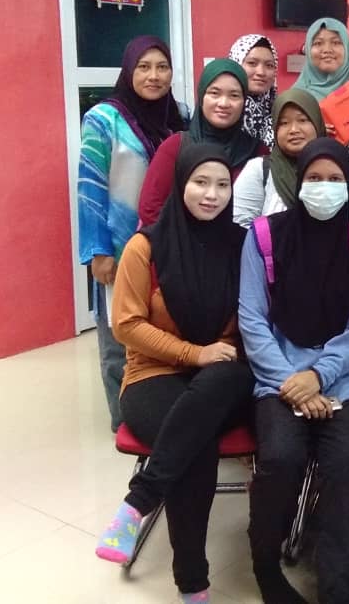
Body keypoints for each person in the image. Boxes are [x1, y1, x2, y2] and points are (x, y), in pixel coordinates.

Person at [95, 143, 254, 604]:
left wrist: (212, 356)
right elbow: (126, 325)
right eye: (200, 182)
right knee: (195, 443)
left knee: (228, 376)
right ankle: (193, 583)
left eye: (222, 185)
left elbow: (253, 319)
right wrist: (194, 353)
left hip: (221, 376)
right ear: (180, 183)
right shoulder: (145, 247)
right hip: (153, 375)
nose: (212, 195)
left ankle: (139, 501)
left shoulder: (241, 245)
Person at [239, 138, 349, 604]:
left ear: (348, 186)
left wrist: (317, 377)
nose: (324, 187)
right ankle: (266, 567)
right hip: (278, 375)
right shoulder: (263, 237)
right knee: (280, 458)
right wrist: (290, 381)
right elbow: (252, 319)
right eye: (314, 178)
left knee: (348, 465)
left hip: (344, 379)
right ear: (298, 182)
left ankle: (338, 589)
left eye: (335, 179)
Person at [79, 35, 185, 430]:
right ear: (128, 71)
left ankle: (161, 410)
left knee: (160, 330)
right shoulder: (103, 119)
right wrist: (97, 251)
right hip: (119, 246)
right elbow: (90, 186)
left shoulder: (180, 116)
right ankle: (125, 422)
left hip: (171, 246)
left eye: (162, 67)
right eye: (144, 67)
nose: (154, 76)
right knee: (118, 336)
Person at [137, 58, 260, 226]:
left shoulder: (257, 152)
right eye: (214, 93)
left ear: (244, 101)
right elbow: (150, 208)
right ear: (202, 97)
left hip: (240, 241)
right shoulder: (176, 147)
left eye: (234, 95)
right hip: (178, 241)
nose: (224, 103)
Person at [231, 88, 349, 231]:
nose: (293, 129)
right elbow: (241, 224)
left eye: (302, 120)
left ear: (317, 122)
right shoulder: (260, 170)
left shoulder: (347, 168)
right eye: (284, 123)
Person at [292, 17, 349, 101]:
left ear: (347, 48)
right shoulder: (296, 99)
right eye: (318, 43)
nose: (327, 50)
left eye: (336, 43)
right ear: (308, 49)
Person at [228, 33, 279, 149]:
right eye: (252, 63)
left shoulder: (280, 110)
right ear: (236, 63)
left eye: (269, 65)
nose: (261, 72)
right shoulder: (222, 109)